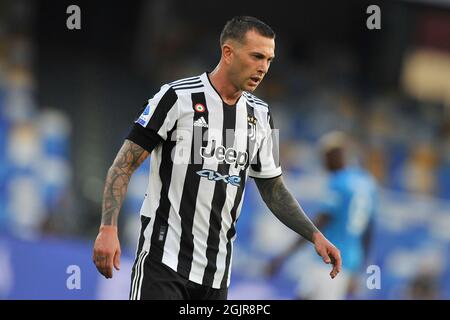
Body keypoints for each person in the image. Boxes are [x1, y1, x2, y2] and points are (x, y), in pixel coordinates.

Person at [92, 16, 341, 300]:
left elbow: (273, 188)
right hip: (163, 263)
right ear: (228, 52)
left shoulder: (262, 115)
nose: (263, 68)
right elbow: (123, 165)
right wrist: (108, 228)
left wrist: (315, 235)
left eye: (269, 60)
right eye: (257, 56)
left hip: (215, 275)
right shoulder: (176, 97)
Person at [267, 131, 377, 299]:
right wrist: (359, 270)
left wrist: (284, 255)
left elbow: (318, 224)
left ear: (334, 155)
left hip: (328, 262)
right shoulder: (367, 183)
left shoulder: (339, 182)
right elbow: (368, 232)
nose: (324, 163)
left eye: (325, 157)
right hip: (349, 263)